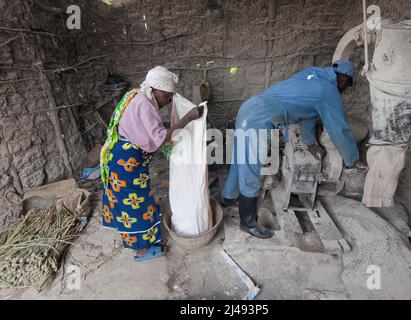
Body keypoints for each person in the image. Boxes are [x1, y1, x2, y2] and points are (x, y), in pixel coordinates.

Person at [221, 60, 363, 239]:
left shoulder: (312, 75)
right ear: (344, 80)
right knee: (251, 171)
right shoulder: (329, 92)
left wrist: (311, 143)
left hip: (249, 107)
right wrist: (352, 159)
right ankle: (247, 222)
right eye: (347, 86)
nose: (344, 90)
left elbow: (306, 114)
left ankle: (227, 198)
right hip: (259, 119)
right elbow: (340, 130)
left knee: (240, 159)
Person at [100, 66, 203, 261]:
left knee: (132, 202)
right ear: (154, 90)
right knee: (136, 205)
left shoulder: (136, 94)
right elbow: (160, 138)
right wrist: (187, 118)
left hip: (119, 156)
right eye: (166, 96)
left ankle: (140, 241)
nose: (169, 101)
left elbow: (144, 128)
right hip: (126, 163)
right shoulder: (146, 105)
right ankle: (141, 250)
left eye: (171, 97)